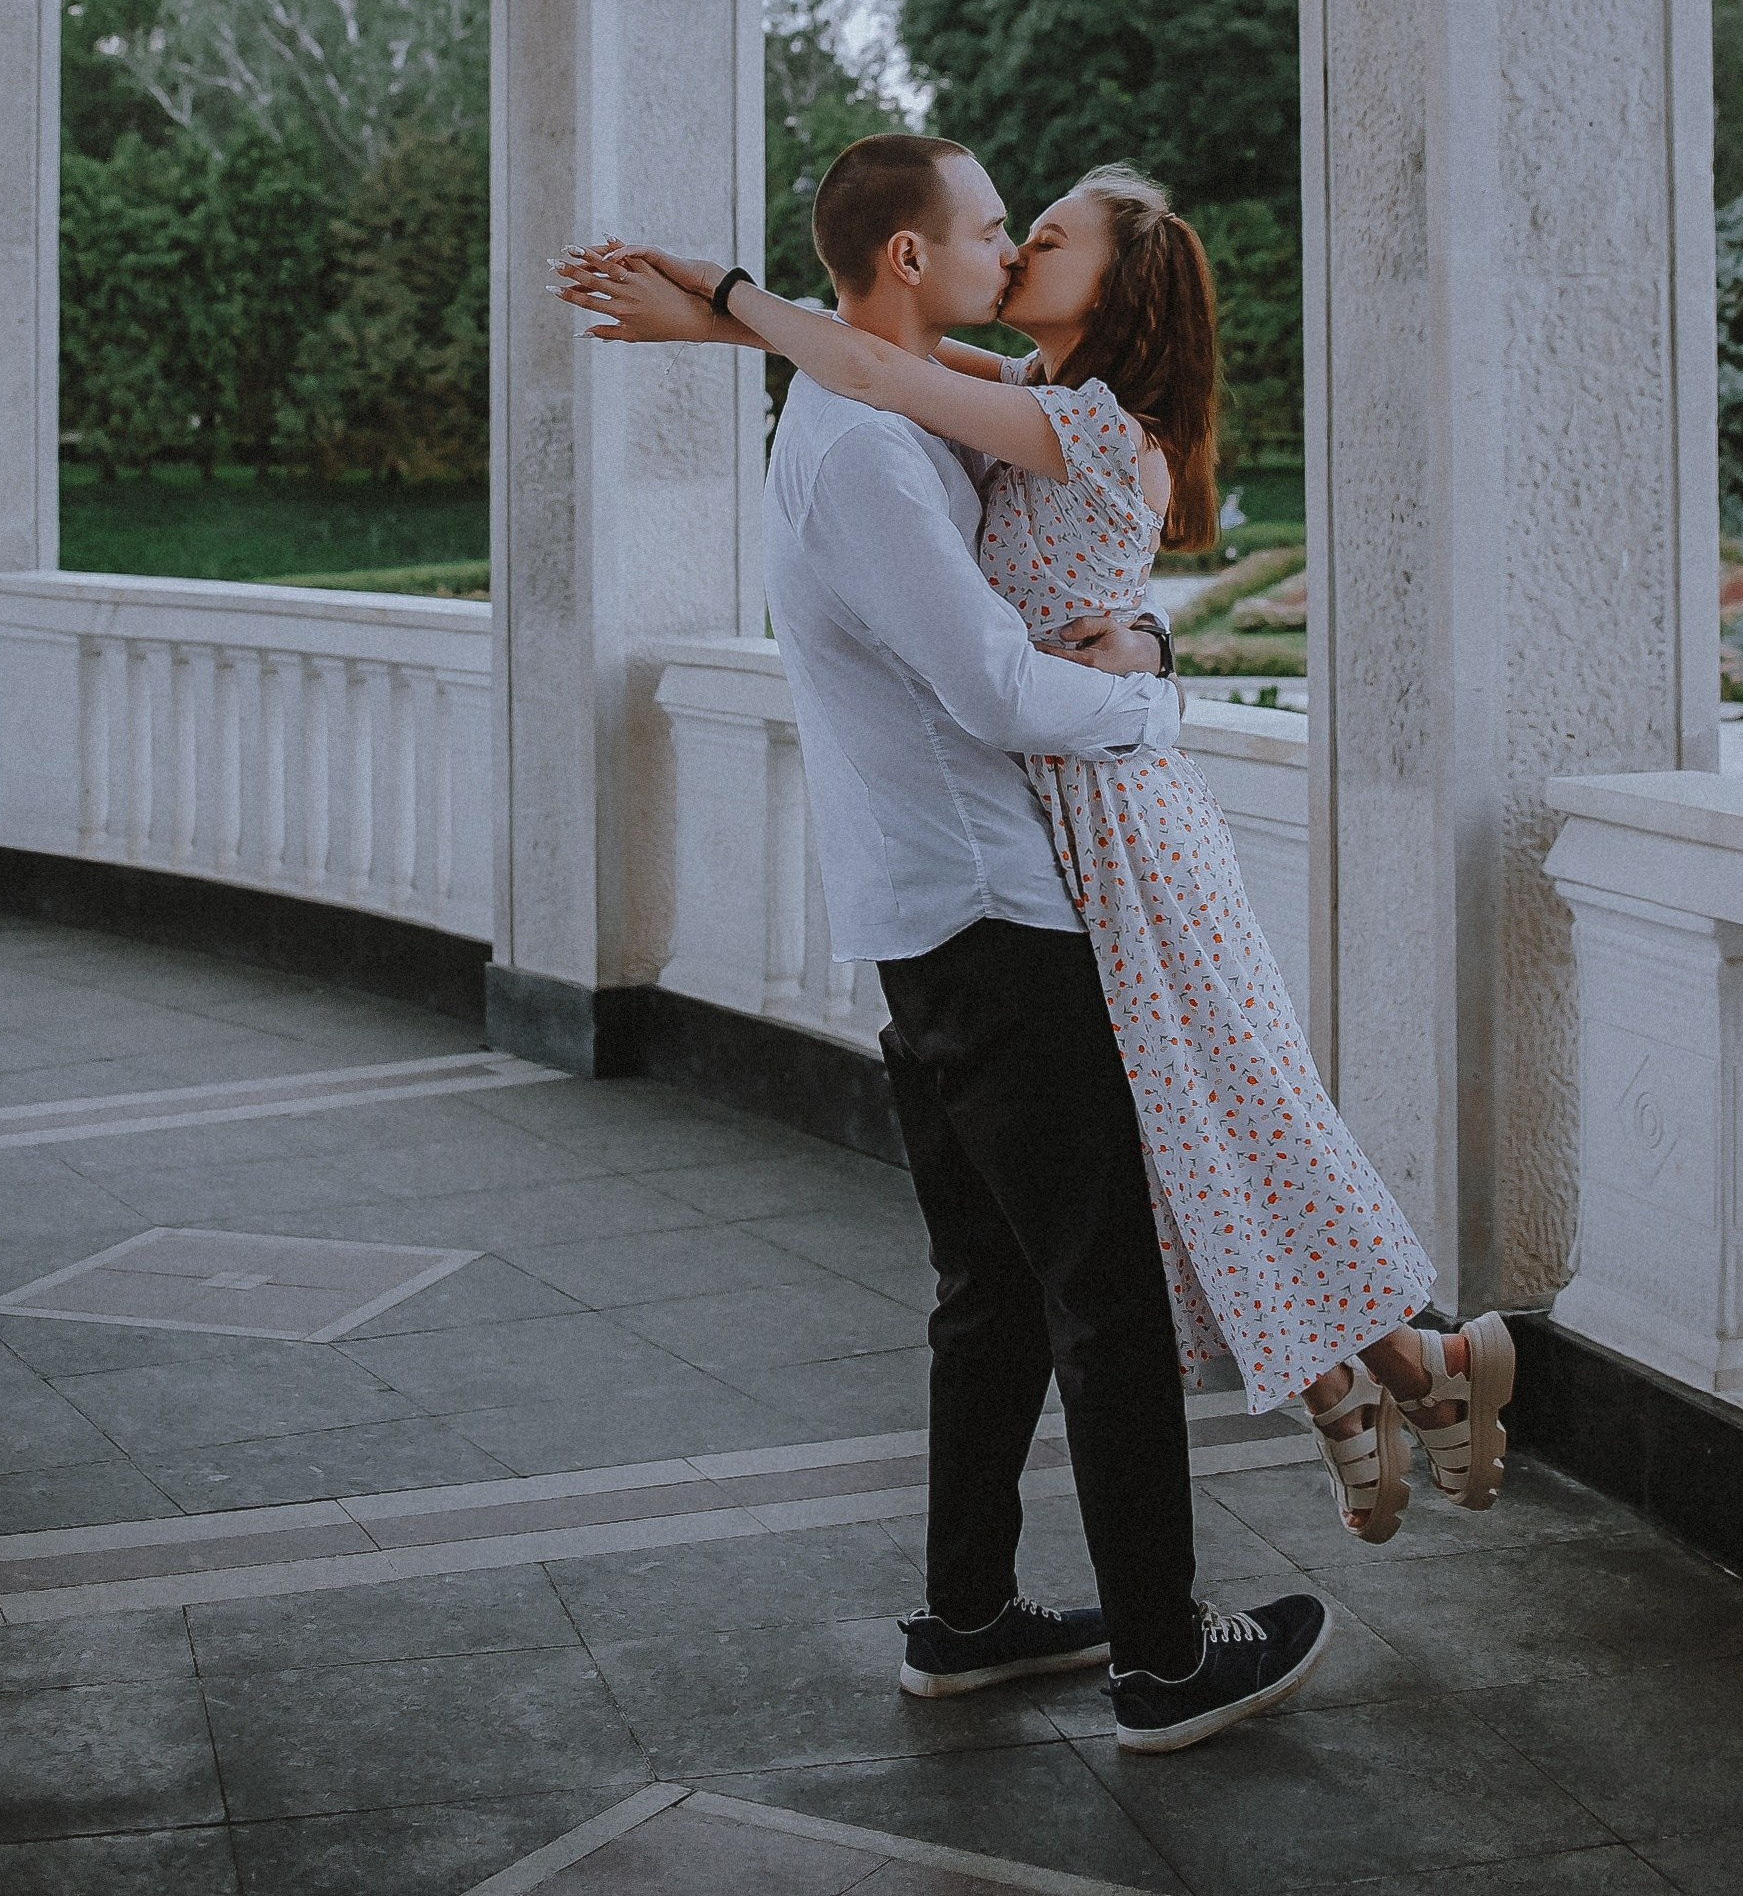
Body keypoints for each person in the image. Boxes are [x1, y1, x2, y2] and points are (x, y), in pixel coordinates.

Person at [556, 150, 1515, 1550]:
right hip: (1058, 816)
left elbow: (879, 372)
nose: (1012, 253)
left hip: (1121, 819)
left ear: (1112, 284)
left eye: (1043, 237)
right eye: (1006, 228)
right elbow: (874, 353)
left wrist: (723, 290)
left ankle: (1402, 1365)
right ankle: (1377, 1376)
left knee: (1226, 1107)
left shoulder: (1089, 424)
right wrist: (710, 313)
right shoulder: (1026, 401)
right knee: (1171, 1125)